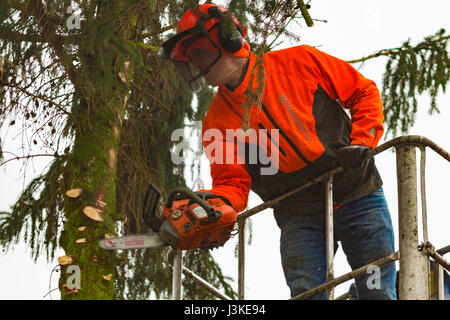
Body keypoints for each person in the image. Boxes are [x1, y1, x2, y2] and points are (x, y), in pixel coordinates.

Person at [158, 3, 397, 300]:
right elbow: (232, 184)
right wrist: (211, 209)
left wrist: (362, 141)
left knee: (377, 289)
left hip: (356, 193)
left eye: (198, 54)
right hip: (299, 214)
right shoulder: (216, 121)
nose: (195, 65)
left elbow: (363, 92)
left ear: (228, 38)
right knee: (305, 293)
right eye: (190, 60)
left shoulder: (300, 61)